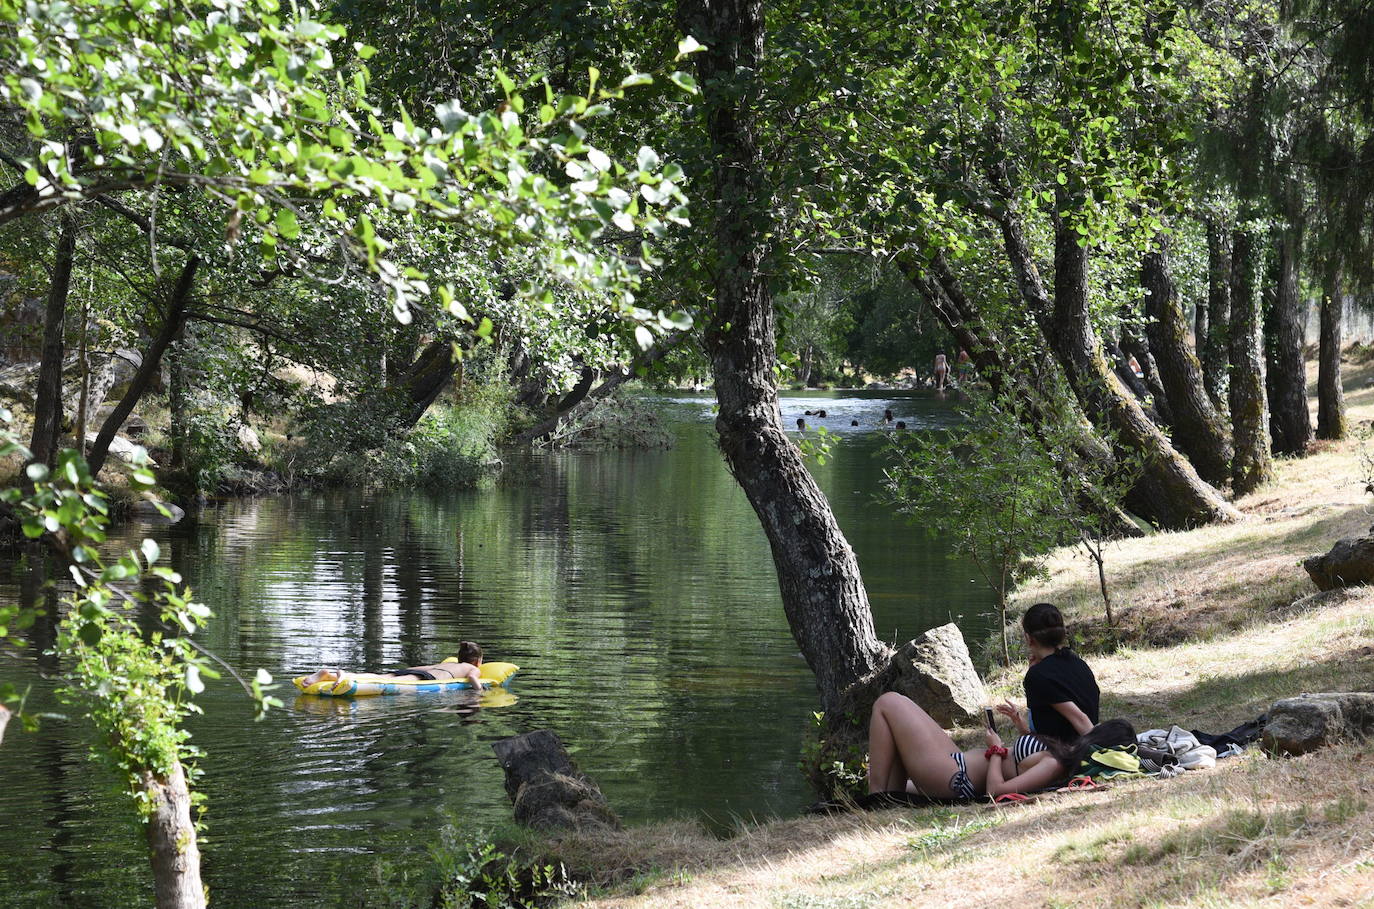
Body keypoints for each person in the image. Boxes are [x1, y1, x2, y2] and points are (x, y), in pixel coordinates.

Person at [866, 691, 1134, 800]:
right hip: (958, 763)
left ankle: (874, 797)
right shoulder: (1064, 754)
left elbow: (996, 791)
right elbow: (1021, 762)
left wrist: (995, 751)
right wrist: (1022, 729)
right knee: (894, 735)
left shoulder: (1055, 765)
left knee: (888, 702)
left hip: (956, 777)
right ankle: (884, 794)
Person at [996, 603, 1099, 742]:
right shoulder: (1079, 664)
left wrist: (1102, 754)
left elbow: (1080, 719)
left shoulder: (1039, 676)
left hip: (1070, 753)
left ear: (1028, 638)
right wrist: (1019, 722)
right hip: (1072, 746)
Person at [300, 641, 488, 690]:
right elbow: (472, 678)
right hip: (425, 678)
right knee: (387, 683)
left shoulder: (449, 663)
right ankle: (342, 677)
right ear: (477, 661)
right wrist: (480, 692)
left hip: (418, 670)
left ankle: (335, 675)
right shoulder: (473, 668)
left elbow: (426, 666)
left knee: (380, 676)